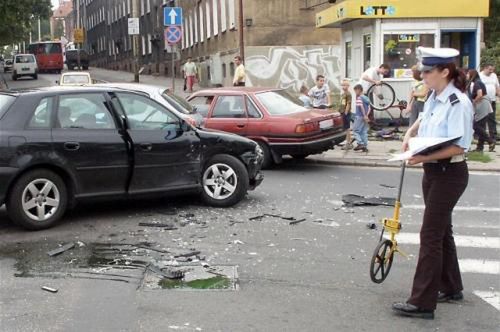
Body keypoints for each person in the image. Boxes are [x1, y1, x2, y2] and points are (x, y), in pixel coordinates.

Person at [392, 47, 473, 320]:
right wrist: (409, 133)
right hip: (432, 171)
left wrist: (418, 158)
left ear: (444, 72)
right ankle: (451, 287)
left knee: (430, 235)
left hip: (450, 173)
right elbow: (423, 119)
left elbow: (459, 146)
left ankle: (422, 303)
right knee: (442, 230)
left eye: (428, 71)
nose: (423, 75)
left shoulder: (458, 102)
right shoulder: (434, 96)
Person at [467, 69, 495, 152]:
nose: (467, 76)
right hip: (484, 104)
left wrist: (474, 102)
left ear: (472, 75)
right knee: (481, 126)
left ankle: (490, 141)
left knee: (476, 125)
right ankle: (480, 147)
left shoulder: (477, 83)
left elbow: (480, 94)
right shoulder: (478, 82)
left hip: (482, 104)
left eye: (468, 74)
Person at [479, 63, 499, 142]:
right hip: (483, 101)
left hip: (492, 100)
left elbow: (497, 87)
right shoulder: (480, 76)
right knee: (482, 119)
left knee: (492, 118)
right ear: (485, 68)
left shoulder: (494, 76)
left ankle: (493, 135)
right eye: (490, 69)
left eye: (492, 70)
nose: (491, 71)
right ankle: (481, 136)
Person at [352, 84, 370, 152]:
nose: (355, 93)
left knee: (355, 130)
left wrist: (364, 115)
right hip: (365, 117)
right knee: (363, 132)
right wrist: (366, 115)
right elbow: (369, 108)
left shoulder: (359, 98)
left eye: (355, 91)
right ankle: (364, 146)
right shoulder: (366, 98)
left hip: (359, 116)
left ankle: (360, 143)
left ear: (358, 90)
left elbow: (361, 106)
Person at [339, 79, 353, 150]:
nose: (344, 86)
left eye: (345, 85)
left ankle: (348, 142)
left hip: (345, 113)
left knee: (347, 128)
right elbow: (342, 103)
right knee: (344, 127)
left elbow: (348, 103)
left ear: (348, 86)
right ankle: (346, 140)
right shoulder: (343, 94)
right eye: (343, 85)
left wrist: (346, 111)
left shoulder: (348, 94)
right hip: (342, 111)